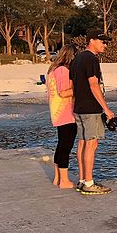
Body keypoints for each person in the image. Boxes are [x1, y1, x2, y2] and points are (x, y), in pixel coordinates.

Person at [70, 30, 115, 195]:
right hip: (90, 108)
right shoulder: (91, 59)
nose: (105, 45)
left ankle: (82, 180)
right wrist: (107, 109)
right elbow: (93, 85)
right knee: (91, 144)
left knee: (82, 142)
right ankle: (89, 183)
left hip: (79, 108)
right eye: (102, 42)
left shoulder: (77, 59)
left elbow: (73, 85)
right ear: (92, 41)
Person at [46, 44, 79, 188]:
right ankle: (64, 180)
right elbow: (64, 92)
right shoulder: (63, 71)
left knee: (61, 145)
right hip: (65, 113)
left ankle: (58, 177)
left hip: (57, 113)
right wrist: (80, 89)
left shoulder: (53, 70)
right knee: (66, 146)